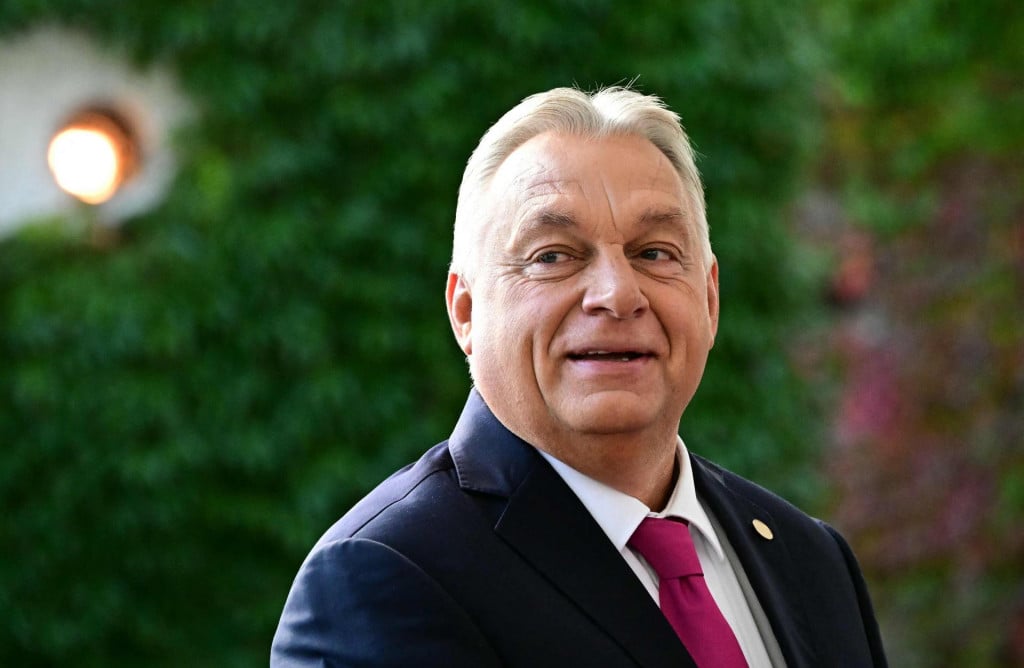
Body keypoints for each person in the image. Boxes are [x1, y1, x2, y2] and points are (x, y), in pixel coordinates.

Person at [271, 86, 888, 667]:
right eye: (554, 256)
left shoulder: (812, 560)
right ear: (465, 310)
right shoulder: (383, 578)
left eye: (654, 253)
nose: (617, 295)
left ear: (709, 297)